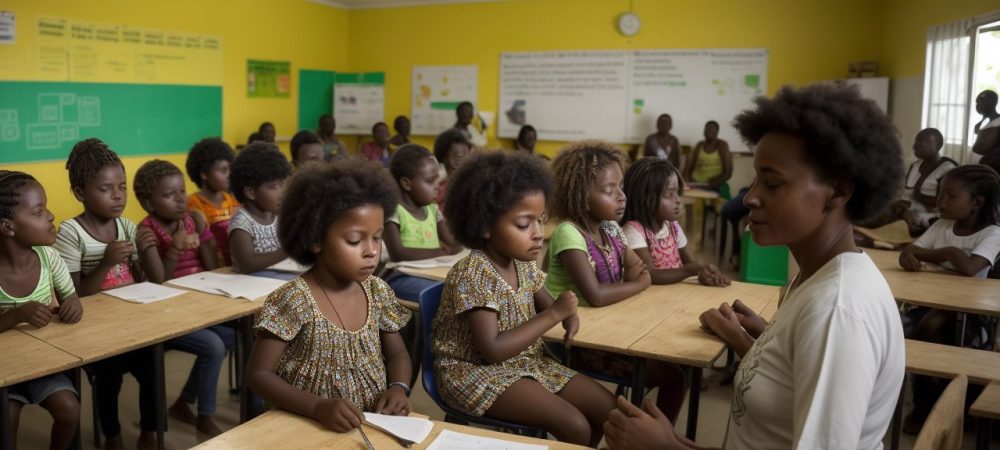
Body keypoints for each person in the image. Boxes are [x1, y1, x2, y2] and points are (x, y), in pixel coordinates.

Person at [603, 83, 905, 450]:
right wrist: (757, 340)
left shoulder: (836, 312)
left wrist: (667, 448)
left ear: (838, 192)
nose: (750, 198)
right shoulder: (813, 279)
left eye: (772, 184)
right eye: (755, 181)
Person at [432, 151, 615, 446]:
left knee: (608, 411)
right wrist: (555, 314)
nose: (538, 234)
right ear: (484, 226)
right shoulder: (474, 272)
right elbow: (492, 349)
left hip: (525, 362)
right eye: (523, 225)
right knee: (575, 426)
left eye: (541, 221)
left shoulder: (523, 264)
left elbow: (549, 303)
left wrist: (568, 314)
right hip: (474, 372)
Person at [246, 161, 414, 433]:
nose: (372, 251)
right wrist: (317, 407)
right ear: (315, 240)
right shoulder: (294, 300)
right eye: (354, 240)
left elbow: (398, 355)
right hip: (304, 425)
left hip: (368, 424)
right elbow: (259, 375)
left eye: (377, 237)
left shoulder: (378, 292)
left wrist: (398, 387)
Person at [546, 142, 686, 422]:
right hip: (570, 339)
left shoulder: (610, 229)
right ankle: (646, 437)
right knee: (673, 377)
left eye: (621, 188)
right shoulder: (568, 233)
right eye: (610, 191)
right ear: (582, 197)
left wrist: (637, 279)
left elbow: (639, 270)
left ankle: (650, 435)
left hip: (605, 330)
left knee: (675, 366)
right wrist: (639, 284)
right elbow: (597, 295)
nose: (622, 197)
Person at [54, 140, 160, 450]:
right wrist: (106, 263)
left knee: (153, 368)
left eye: (122, 187)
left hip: (130, 323)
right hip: (94, 330)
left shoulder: (126, 227)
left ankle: (150, 433)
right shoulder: (71, 232)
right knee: (108, 377)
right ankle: (112, 436)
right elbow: (72, 295)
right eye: (106, 189)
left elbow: (147, 280)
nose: (118, 195)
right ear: (80, 193)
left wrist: (147, 250)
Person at [898, 164, 1000, 433]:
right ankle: (923, 403)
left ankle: (931, 408)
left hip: (972, 316)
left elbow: (969, 268)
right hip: (929, 304)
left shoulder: (992, 234)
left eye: (950, 196)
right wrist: (909, 256)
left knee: (932, 328)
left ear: (977, 202)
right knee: (898, 325)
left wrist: (950, 253)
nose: (941, 201)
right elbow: (910, 250)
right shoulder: (941, 226)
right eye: (940, 193)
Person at [133, 160, 231, 437]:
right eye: (169, 195)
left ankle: (183, 402)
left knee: (233, 337)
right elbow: (158, 282)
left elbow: (211, 267)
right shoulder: (147, 231)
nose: (180, 200)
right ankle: (205, 416)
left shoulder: (191, 220)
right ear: (148, 203)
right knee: (214, 346)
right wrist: (175, 248)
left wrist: (204, 235)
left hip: (198, 304)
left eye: (182, 191)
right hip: (167, 314)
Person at [0, 170, 83, 450]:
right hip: (5, 370)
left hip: (44, 363)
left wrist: (72, 306)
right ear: (8, 227)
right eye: (38, 212)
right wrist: (18, 315)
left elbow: (72, 299)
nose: (50, 216)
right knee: (7, 419)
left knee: (69, 410)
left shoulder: (49, 257)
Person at [622, 157, 730, 287]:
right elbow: (649, 274)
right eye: (669, 194)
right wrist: (692, 270)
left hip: (675, 294)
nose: (678, 200)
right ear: (646, 198)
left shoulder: (672, 227)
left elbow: (689, 262)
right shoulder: (633, 231)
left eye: (677, 192)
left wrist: (705, 272)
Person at [382, 145, 462, 301]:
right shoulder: (393, 210)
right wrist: (440, 252)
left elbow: (452, 243)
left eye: (437, 179)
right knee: (441, 294)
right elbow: (398, 254)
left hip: (431, 272)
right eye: (430, 181)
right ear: (407, 183)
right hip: (400, 276)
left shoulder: (432, 209)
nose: (437, 186)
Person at [228, 143, 292, 274]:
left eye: (285, 185)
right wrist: (289, 250)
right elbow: (247, 264)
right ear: (251, 192)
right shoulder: (241, 223)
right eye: (276, 187)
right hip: (250, 284)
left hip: (277, 279)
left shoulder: (279, 217)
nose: (284, 192)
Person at [185, 137, 239, 265]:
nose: (229, 175)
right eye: (223, 170)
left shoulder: (233, 201)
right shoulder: (192, 204)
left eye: (230, 169)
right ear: (203, 174)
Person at [683, 120, 733, 191]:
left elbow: (728, 172)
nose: (710, 131)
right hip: (697, 184)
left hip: (716, 185)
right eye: (707, 129)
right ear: (704, 131)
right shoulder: (699, 145)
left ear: (717, 132)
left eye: (713, 129)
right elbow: (689, 168)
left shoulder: (722, 145)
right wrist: (689, 182)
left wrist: (715, 181)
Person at [432, 128, 471, 210]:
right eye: (457, 155)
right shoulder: (435, 186)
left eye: (465, 154)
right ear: (444, 157)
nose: (461, 159)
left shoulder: (475, 185)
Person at [972, 90, 1000, 172]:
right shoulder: (981, 123)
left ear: (992, 103)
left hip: (992, 168)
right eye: (977, 102)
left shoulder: (998, 122)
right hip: (980, 166)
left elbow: (981, 148)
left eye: (982, 102)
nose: (978, 105)